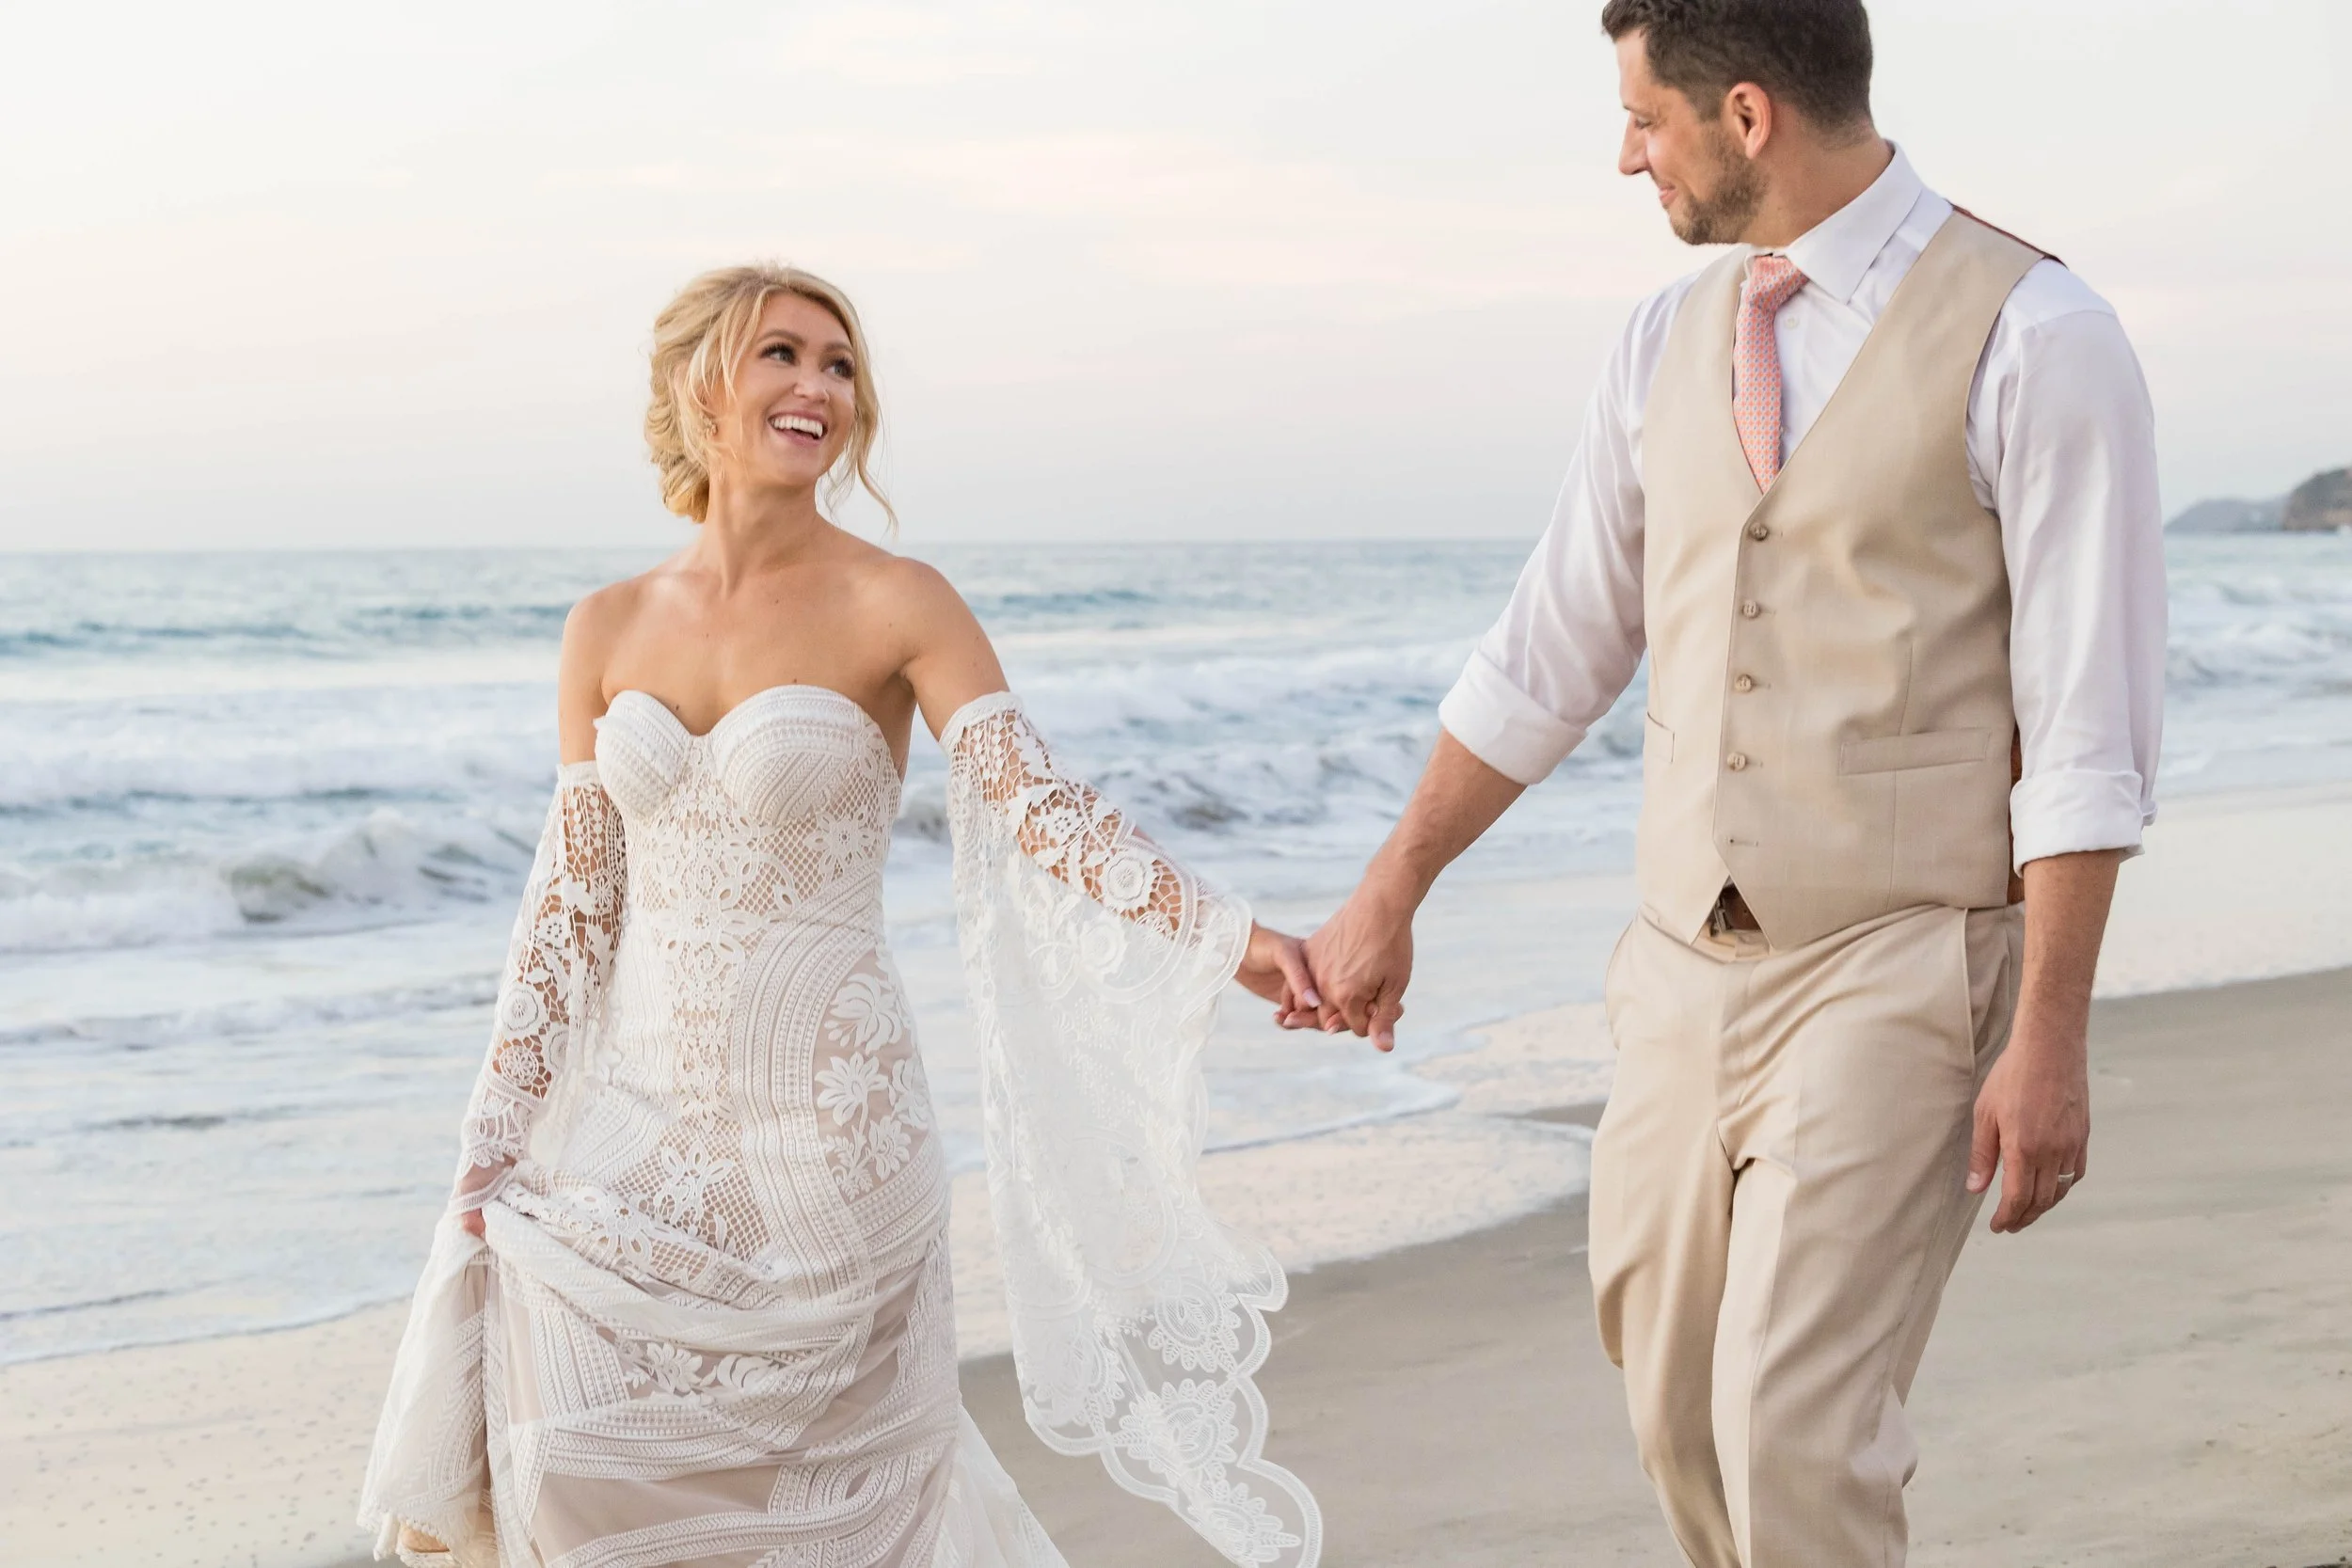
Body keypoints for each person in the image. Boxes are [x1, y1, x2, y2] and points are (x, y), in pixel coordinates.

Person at [1294, 2, 2164, 1563]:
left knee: (1792, 1426)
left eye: (1645, 118)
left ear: (1746, 114)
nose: (1628, 153)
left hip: (1901, 960)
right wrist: (1390, 889)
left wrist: (2052, 1037)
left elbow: (2087, 727)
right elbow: (1552, 648)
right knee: (1679, 1408)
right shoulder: (1658, 342)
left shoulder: (2038, 334)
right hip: (1680, 968)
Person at [359, 265, 1326, 1568]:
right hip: (636, 1141)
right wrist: (491, 1141)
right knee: (574, 1462)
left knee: (843, 1523)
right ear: (703, 383)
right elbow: (569, 914)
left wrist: (1233, 941)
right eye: (784, 355)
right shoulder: (603, 626)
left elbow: (1037, 806)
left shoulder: (898, 599)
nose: (818, 386)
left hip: (832, 1142)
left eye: (840, 366)